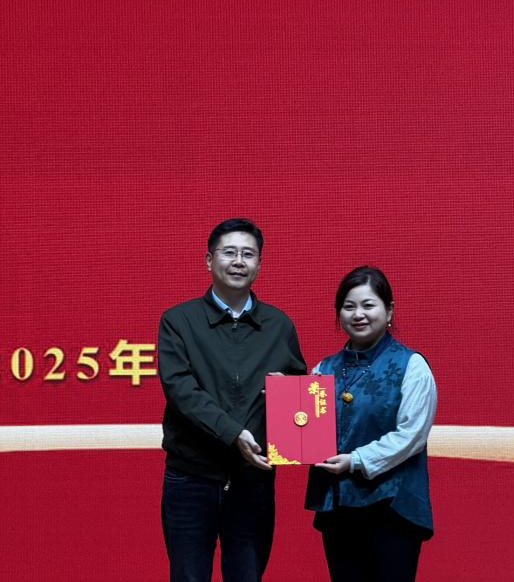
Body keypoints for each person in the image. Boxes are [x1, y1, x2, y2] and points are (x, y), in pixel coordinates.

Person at [158, 218, 306, 582]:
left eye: (248, 254)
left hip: (252, 481)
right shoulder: (178, 321)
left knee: (247, 575)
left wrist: (292, 396)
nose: (239, 261)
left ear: (259, 264)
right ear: (209, 260)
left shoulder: (279, 325)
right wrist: (233, 434)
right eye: (229, 253)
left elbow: (299, 395)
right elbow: (180, 390)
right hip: (191, 477)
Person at [305, 266, 437, 582]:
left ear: (389, 311)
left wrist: (356, 460)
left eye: (368, 305)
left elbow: (412, 435)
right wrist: (282, 396)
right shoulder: (322, 369)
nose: (358, 314)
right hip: (338, 508)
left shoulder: (412, 365)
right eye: (349, 306)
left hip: (393, 508)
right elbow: (305, 431)